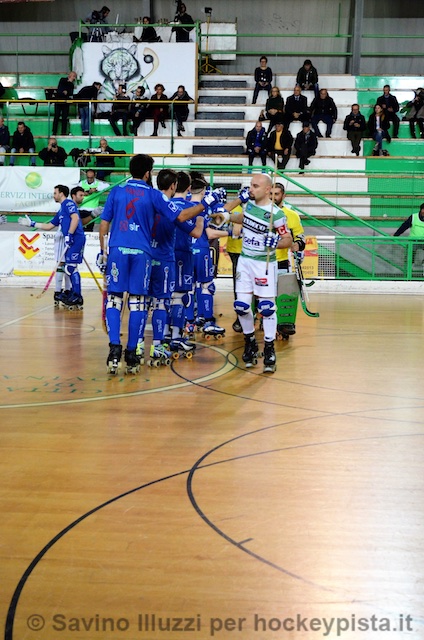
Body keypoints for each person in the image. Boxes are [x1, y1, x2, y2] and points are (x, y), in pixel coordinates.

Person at [97, 153, 219, 374]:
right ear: (147, 173)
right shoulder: (153, 195)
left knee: (114, 300)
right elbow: (181, 217)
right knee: (138, 302)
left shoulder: (117, 191)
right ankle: (132, 352)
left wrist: (102, 252)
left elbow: (104, 223)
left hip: (117, 250)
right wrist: (204, 205)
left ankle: (114, 348)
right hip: (142, 253)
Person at [217, 174, 292, 373]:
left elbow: (288, 239)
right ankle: (249, 341)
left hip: (264, 264)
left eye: (256, 186)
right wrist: (229, 216)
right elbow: (243, 218)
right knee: (241, 306)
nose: (251, 189)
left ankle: (269, 348)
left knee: (266, 308)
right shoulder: (248, 205)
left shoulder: (276, 214)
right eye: (251, 185)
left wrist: (276, 242)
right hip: (245, 261)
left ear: (267, 189)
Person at [147, 169, 204, 364]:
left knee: (153, 299)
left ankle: (156, 338)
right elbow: (197, 232)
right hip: (178, 255)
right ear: (188, 187)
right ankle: (176, 336)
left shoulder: (156, 203)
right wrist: (202, 215)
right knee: (180, 297)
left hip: (152, 254)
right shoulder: (190, 208)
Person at [18, 184, 86, 309]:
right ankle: (74, 293)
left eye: (55, 193)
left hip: (76, 238)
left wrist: (69, 234)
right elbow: (49, 226)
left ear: (61, 193)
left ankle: (77, 295)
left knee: (71, 268)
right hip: (72, 239)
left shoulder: (68, 204)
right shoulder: (61, 210)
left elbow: (75, 218)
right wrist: (32, 224)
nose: (54, 195)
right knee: (69, 268)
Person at [272, 183, 306, 337]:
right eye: (271, 194)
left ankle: (284, 323)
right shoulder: (261, 213)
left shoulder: (292, 215)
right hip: (261, 261)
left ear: (283, 196)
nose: (273, 197)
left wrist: (297, 244)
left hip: (281, 261)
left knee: (283, 294)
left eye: (277, 194)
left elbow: (300, 236)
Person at [394, 203, 424, 272]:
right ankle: (409, 271)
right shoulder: (414, 217)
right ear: (421, 209)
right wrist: (396, 235)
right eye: (423, 209)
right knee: (410, 256)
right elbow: (404, 226)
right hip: (413, 241)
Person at [52, 71, 76, 136]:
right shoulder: (62, 80)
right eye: (73, 76)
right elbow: (60, 90)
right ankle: (54, 132)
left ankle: (63, 132)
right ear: (70, 75)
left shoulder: (72, 84)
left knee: (64, 118)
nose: (74, 78)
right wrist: (66, 90)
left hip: (66, 102)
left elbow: (70, 93)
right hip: (59, 101)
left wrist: (66, 91)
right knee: (56, 117)